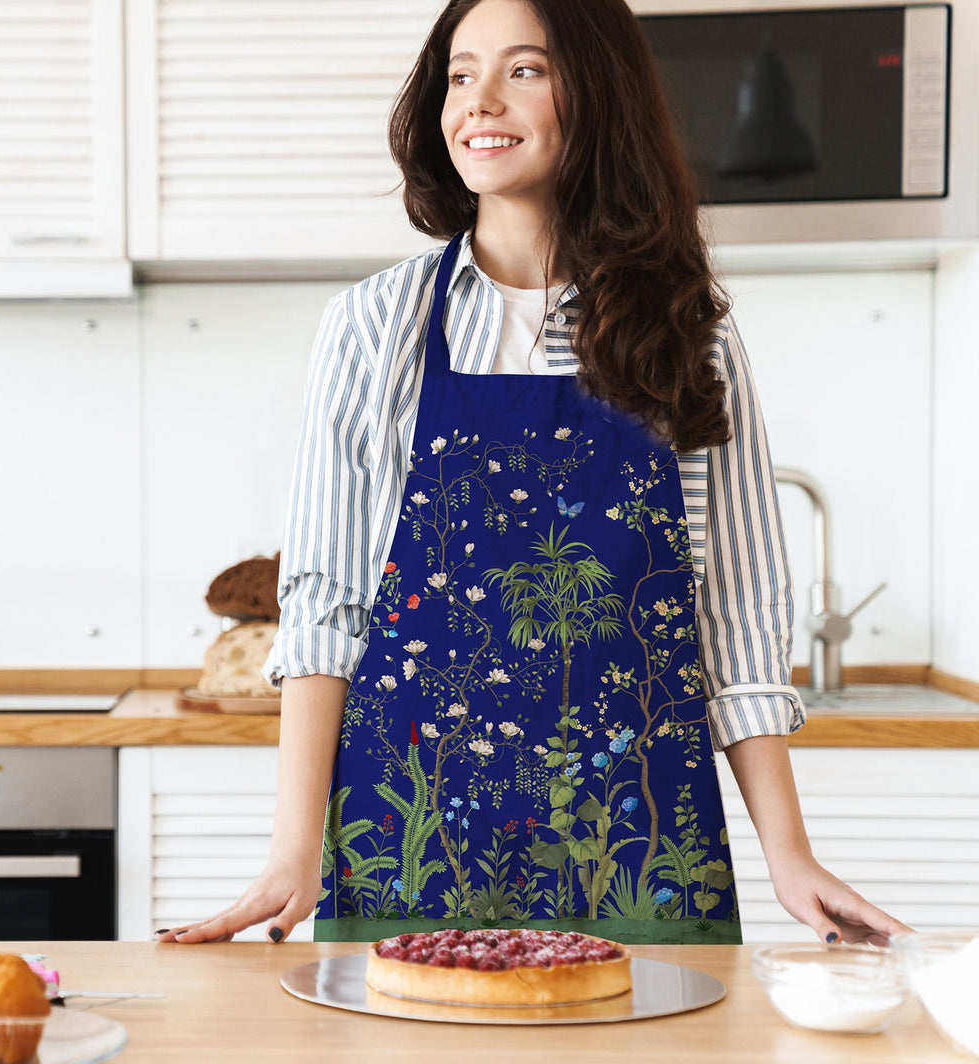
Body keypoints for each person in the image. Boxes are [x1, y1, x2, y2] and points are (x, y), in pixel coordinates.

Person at [156, 0, 910, 948]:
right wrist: (292, 848)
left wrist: (790, 857)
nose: (480, 100)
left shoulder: (689, 334)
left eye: (525, 70)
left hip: (639, 851)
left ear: (594, 93)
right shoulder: (373, 328)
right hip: (410, 844)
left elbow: (733, 616)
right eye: (460, 73)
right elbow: (329, 605)